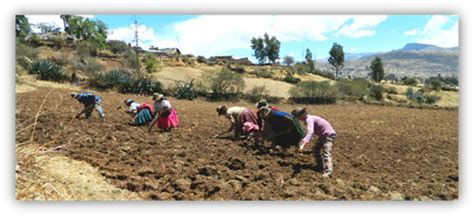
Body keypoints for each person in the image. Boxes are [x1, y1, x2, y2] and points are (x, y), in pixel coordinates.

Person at [292, 107, 336, 178]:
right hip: (323, 136)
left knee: (326, 153)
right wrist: (304, 140)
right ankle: (320, 165)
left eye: (298, 117)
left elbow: (310, 131)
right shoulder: (309, 119)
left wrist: (304, 142)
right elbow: (310, 132)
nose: (299, 119)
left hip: (329, 136)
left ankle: (328, 172)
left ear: (301, 115)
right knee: (315, 150)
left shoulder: (309, 119)